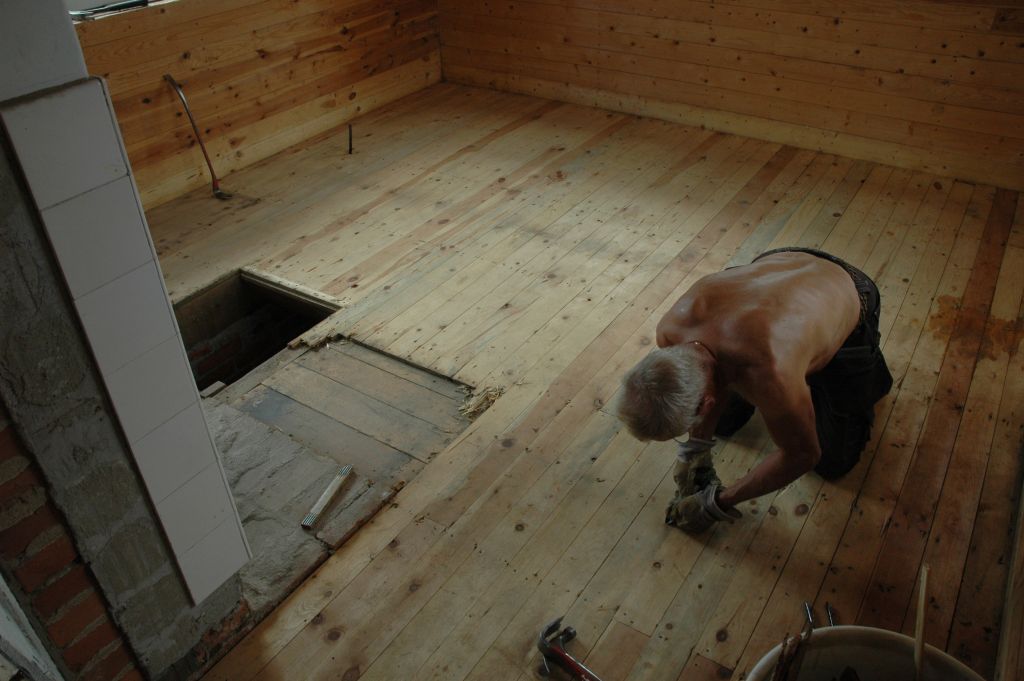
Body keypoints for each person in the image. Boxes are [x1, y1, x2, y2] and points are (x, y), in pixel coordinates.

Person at [616, 248, 893, 533]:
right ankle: (804, 375)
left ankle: (861, 375)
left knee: (833, 462)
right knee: (724, 425)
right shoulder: (670, 330)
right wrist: (695, 451)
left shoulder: (769, 373)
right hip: (779, 261)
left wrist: (717, 503)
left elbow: (803, 455)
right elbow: (710, 376)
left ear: (706, 402)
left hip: (848, 288)